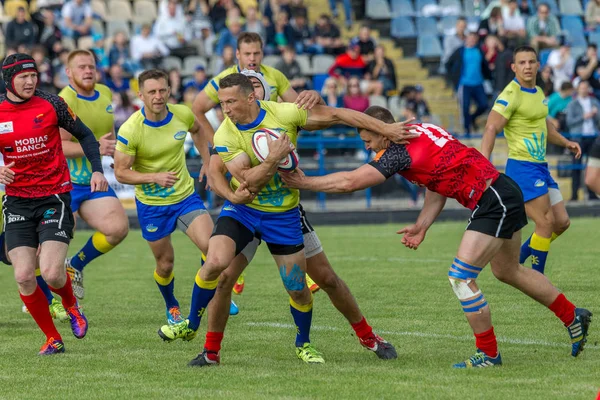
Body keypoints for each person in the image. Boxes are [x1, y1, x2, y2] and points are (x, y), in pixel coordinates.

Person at [281, 107, 592, 368]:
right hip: (502, 191)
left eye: (369, 139)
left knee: (461, 277)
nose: (367, 147)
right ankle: (572, 315)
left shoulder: (396, 151)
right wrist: (422, 224)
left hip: (492, 199)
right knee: (508, 270)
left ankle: (488, 353)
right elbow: (435, 180)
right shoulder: (420, 129)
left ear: (382, 129)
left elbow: (350, 182)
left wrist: (305, 182)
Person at [158, 73, 414, 366]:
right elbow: (246, 181)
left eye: (230, 102)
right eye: (222, 102)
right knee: (221, 269)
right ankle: (207, 347)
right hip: (245, 211)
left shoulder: (283, 112)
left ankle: (347, 339)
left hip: (284, 214)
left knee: (306, 285)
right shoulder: (226, 134)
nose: (224, 109)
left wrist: (385, 128)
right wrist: (268, 162)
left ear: (253, 96)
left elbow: (337, 114)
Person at [191, 31, 325, 293]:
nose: (252, 58)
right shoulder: (224, 80)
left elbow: (298, 109)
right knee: (241, 204)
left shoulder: (275, 76)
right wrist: (213, 154)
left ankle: (300, 271)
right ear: (237, 55)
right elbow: (197, 108)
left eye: (257, 53)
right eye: (247, 54)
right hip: (239, 152)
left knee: (283, 209)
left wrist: (312, 100)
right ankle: (230, 268)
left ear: (262, 53)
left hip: (274, 158)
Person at [0, 53, 108, 354]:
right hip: (18, 202)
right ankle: (52, 337)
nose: (31, 80)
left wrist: (97, 169)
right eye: (23, 76)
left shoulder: (51, 104)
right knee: (23, 275)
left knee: (50, 272)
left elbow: (86, 135)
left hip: (54, 197)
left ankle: (71, 306)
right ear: (9, 79)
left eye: (33, 75)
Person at [113, 69, 212, 325]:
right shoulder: (131, 129)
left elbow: (199, 130)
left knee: (212, 248)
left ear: (169, 90)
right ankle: (172, 305)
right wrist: (152, 177)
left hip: (185, 197)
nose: (158, 96)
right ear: (141, 95)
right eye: (152, 92)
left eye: (162, 90)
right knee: (165, 264)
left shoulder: (182, 113)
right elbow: (121, 173)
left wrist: (208, 162)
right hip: (153, 205)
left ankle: (212, 292)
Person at [482, 46, 582, 275]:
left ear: (538, 65)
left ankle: (516, 260)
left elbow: (543, 124)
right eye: (522, 63)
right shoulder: (510, 93)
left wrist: (565, 142)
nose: (527, 66)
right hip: (522, 167)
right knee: (545, 223)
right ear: (514, 67)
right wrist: (484, 166)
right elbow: (490, 127)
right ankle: (539, 279)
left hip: (540, 167)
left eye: (531, 62)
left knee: (562, 222)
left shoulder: (538, 92)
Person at [59, 50, 130, 299]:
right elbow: (59, 146)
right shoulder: (64, 99)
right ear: (68, 72)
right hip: (64, 183)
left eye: (91, 66)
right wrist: (96, 148)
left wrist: (113, 155)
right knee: (54, 242)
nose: (88, 71)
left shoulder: (106, 92)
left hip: (93, 179)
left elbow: (108, 133)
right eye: (81, 67)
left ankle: (75, 265)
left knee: (118, 228)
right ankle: (42, 295)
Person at [565, 80, 600, 202]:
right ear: (578, 89)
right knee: (576, 167)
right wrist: (583, 117)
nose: (584, 90)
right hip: (578, 138)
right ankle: (574, 195)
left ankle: (592, 194)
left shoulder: (594, 102)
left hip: (593, 137)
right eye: (582, 87)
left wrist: (595, 115)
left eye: (586, 87)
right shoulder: (572, 104)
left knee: (593, 167)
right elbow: (569, 122)